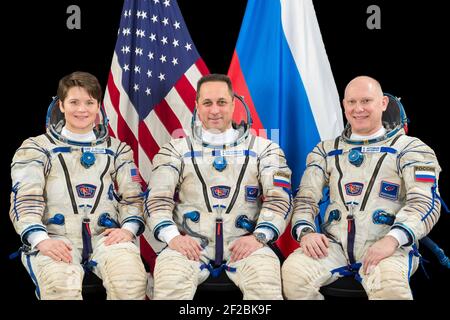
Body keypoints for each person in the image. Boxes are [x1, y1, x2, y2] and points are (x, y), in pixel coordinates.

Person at [282, 76, 442, 299]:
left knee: (390, 288)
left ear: (383, 103)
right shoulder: (326, 151)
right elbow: (305, 199)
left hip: (388, 246)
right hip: (335, 245)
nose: (358, 109)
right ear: (344, 105)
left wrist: (393, 239)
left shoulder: (411, 149)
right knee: (293, 275)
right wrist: (306, 232)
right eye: (352, 102)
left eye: (366, 101)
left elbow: (426, 203)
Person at [144, 74, 292, 299]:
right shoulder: (174, 149)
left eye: (222, 102)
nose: (215, 110)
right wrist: (173, 237)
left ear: (234, 104)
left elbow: (279, 199)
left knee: (266, 287)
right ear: (197, 106)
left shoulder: (265, 149)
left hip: (247, 243)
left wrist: (259, 237)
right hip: (189, 245)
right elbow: (157, 199)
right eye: (207, 103)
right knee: (169, 283)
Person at [9, 71, 148, 299]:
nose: (82, 110)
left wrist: (128, 229)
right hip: (55, 238)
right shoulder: (36, 148)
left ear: (98, 106)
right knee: (60, 288)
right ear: (61, 105)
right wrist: (40, 240)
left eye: (89, 102)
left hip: (106, 237)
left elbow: (133, 197)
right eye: (74, 102)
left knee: (131, 283)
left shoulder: (118, 150)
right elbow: (25, 199)